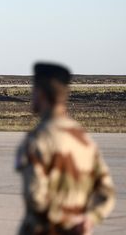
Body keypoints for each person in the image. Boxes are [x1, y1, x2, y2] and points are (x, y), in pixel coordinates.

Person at [15, 63, 115, 235]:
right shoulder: (85, 140)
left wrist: (63, 222)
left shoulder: (38, 140)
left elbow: (36, 198)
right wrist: (88, 219)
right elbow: (107, 193)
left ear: (41, 93)